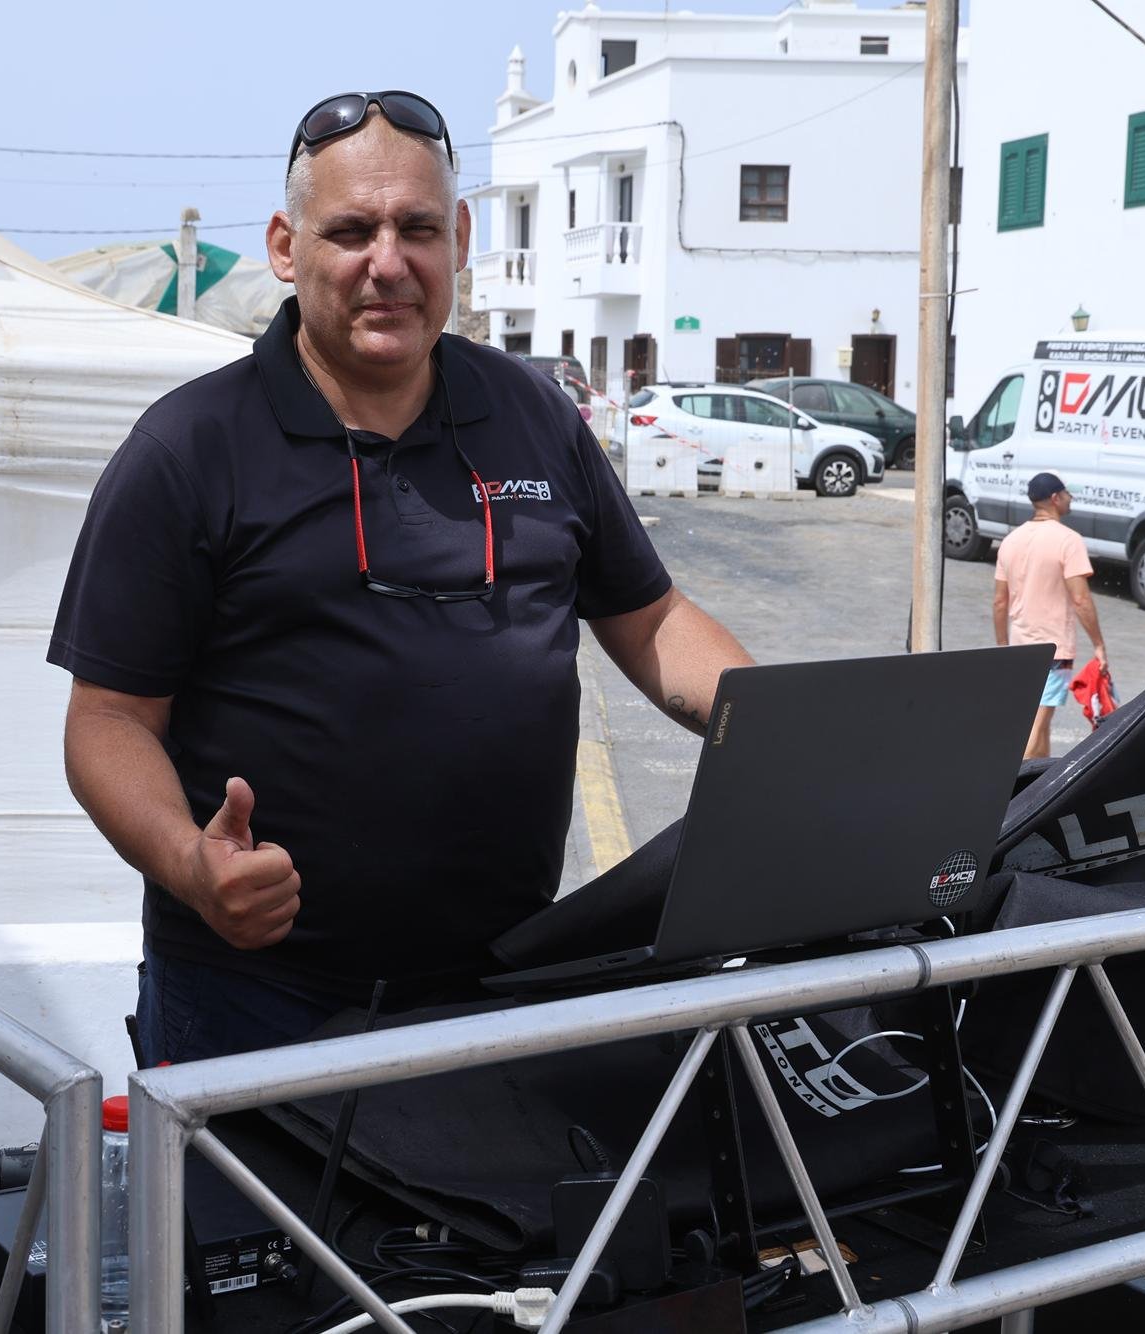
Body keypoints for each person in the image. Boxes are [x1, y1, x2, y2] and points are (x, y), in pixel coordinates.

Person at [48, 91, 754, 1066]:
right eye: (351, 231)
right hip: (260, 998)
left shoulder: (532, 414)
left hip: (505, 983)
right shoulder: (190, 448)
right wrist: (190, 864)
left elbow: (651, 619)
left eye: (417, 229)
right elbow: (107, 721)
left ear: (458, 238)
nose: (388, 263)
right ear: (286, 247)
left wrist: (779, 735)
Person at [992, 472, 1107, 760]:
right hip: (1054, 649)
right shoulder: (1068, 540)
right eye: (1067, 493)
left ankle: (1037, 780)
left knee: (1039, 725)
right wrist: (1098, 644)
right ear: (1055, 498)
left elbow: (999, 602)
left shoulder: (1011, 540)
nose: (1070, 498)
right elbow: (1081, 599)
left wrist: (1003, 646)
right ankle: (1012, 785)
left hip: (1020, 648)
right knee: (1037, 723)